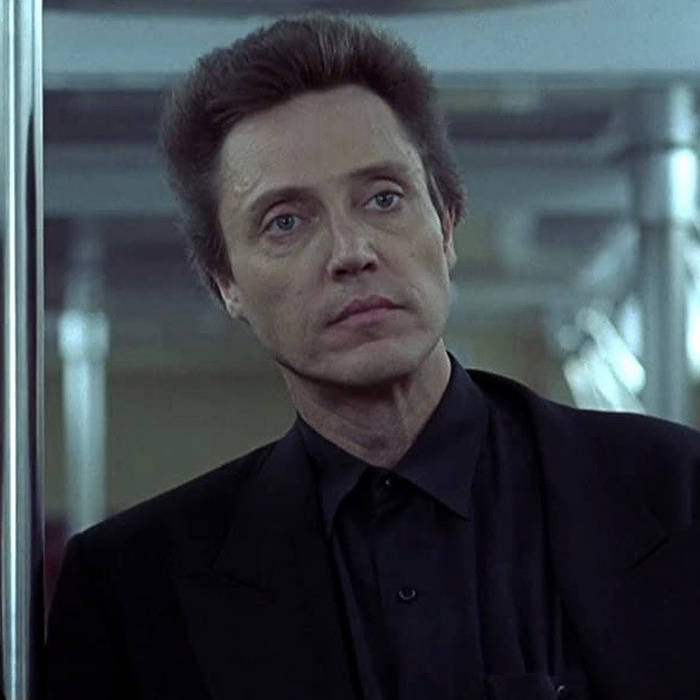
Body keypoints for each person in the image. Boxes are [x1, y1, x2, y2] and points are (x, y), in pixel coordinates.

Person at [46, 12, 700, 700]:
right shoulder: (134, 593)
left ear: (446, 224)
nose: (351, 252)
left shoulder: (679, 495)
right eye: (286, 221)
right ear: (226, 283)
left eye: (384, 198)